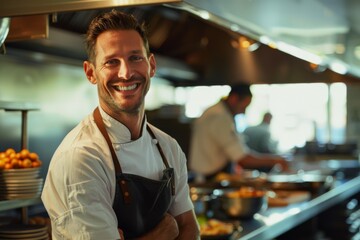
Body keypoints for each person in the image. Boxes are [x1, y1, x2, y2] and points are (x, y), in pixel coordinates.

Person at [41, 10, 199, 240]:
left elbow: (190, 229)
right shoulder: (81, 158)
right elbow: (177, 227)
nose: (126, 73)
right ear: (91, 72)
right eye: (112, 62)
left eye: (135, 58)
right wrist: (167, 230)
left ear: (151, 65)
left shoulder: (168, 147)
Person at [188, 83, 288, 181]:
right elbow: (242, 159)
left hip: (211, 176)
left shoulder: (218, 112)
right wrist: (275, 160)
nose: (243, 112)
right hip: (209, 179)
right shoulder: (220, 118)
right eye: (243, 107)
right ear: (234, 98)